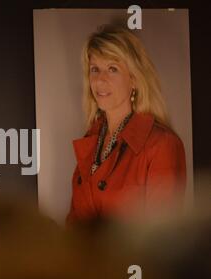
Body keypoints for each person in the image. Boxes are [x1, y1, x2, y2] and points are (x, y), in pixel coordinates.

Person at [66, 25, 186, 224]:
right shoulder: (90, 141)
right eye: (95, 69)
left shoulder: (162, 145)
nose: (100, 79)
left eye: (112, 69)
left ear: (134, 80)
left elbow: (162, 241)